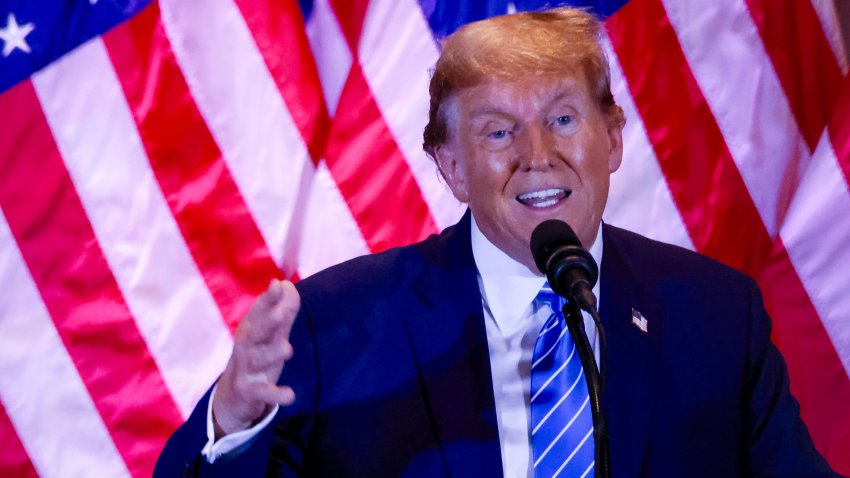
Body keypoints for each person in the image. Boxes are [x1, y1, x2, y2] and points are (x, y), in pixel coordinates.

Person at [154, 7, 839, 477]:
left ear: (614, 139)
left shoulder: (716, 315)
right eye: (497, 131)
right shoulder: (340, 325)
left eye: (563, 117)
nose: (537, 154)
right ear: (452, 167)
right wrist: (232, 419)